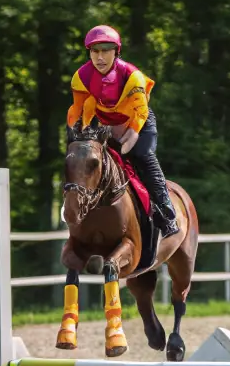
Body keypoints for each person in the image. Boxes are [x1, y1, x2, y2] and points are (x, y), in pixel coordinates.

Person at [66, 25, 179, 238]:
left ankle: (165, 209)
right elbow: (78, 109)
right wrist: (76, 136)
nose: (100, 57)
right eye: (95, 51)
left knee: (141, 156)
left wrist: (132, 135)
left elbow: (140, 112)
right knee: (81, 159)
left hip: (138, 120)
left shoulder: (132, 76)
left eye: (106, 50)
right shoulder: (80, 76)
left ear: (116, 52)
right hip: (106, 121)